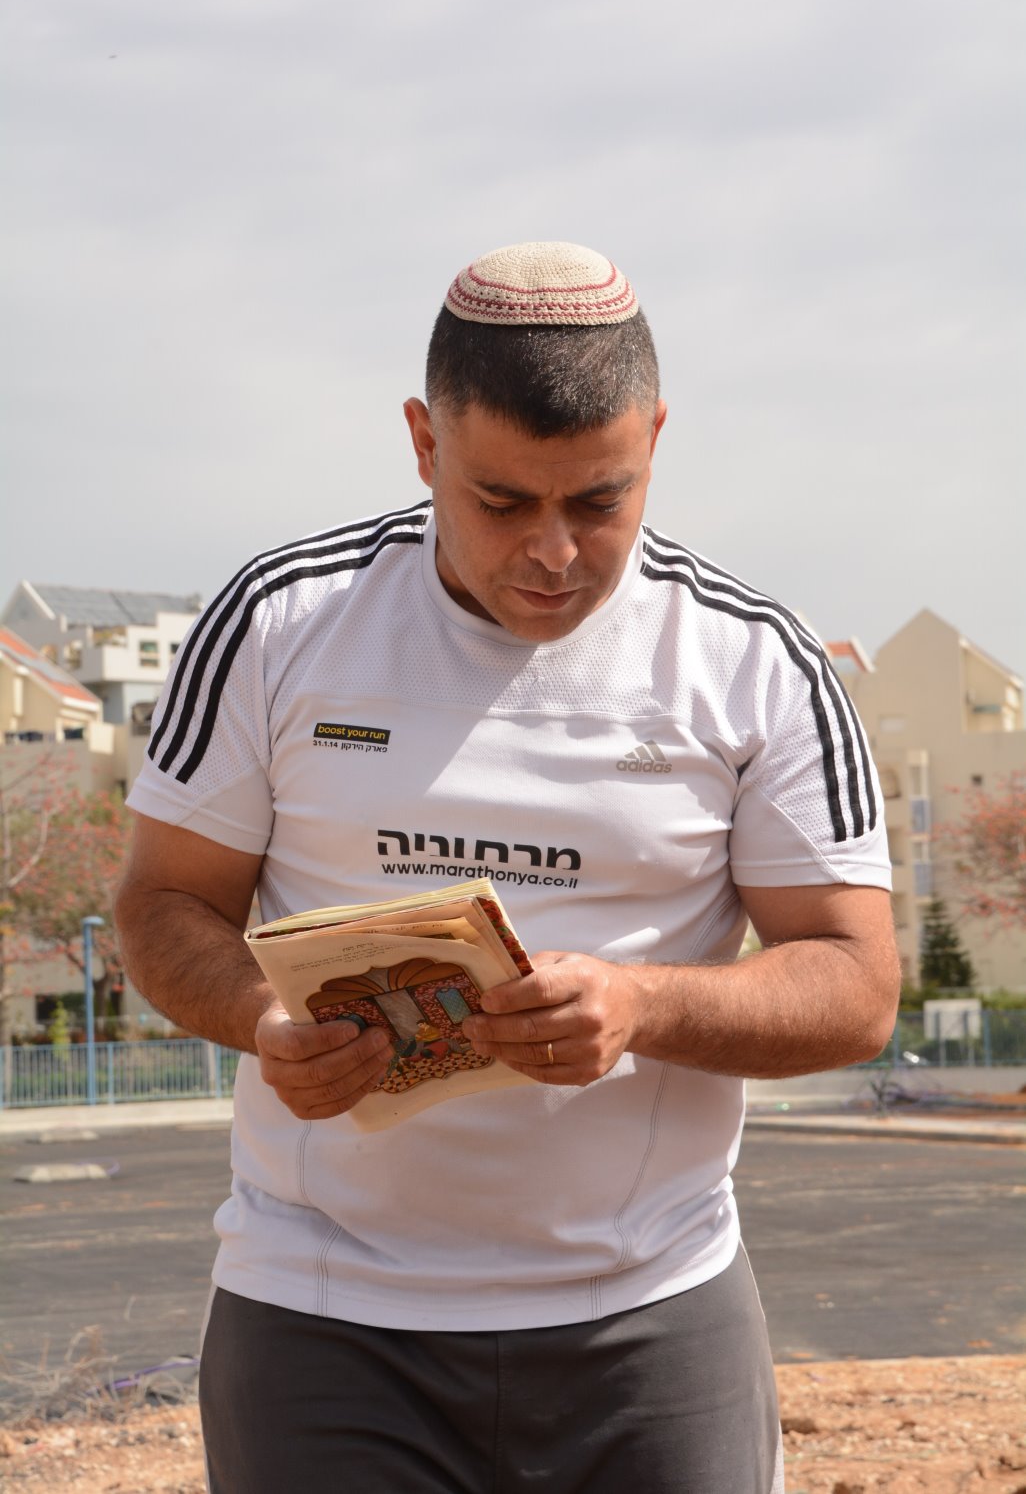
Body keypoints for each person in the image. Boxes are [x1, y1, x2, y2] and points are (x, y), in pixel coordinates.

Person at [115, 240, 899, 1493]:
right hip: (322, 1314)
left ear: (655, 439)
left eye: (599, 502)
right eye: (500, 501)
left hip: (650, 1313)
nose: (554, 551)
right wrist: (265, 1021)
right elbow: (162, 904)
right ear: (424, 443)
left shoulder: (754, 661)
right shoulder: (280, 620)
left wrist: (644, 1006)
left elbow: (857, 986)